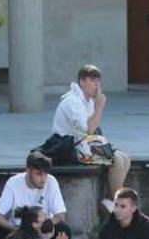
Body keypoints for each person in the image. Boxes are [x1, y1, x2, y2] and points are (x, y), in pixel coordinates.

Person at [52, 63, 132, 201]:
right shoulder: (73, 102)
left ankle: (110, 199)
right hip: (69, 150)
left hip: (85, 146)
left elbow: (93, 131)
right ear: (82, 82)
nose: (96, 85)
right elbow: (88, 129)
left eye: (98, 81)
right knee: (116, 160)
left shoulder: (87, 101)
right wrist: (99, 106)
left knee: (125, 158)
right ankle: (118, 203)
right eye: (92, 80)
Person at [0, 151, 69, 239]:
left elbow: (61, 214)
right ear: (28, 171)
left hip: (43, 227)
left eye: (45, 174)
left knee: (64, 231)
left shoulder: (51, 181)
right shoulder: (14, 183)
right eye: (39, 174)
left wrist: (47, 225)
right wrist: (18, 231)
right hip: (18, 229)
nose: (43, 179)